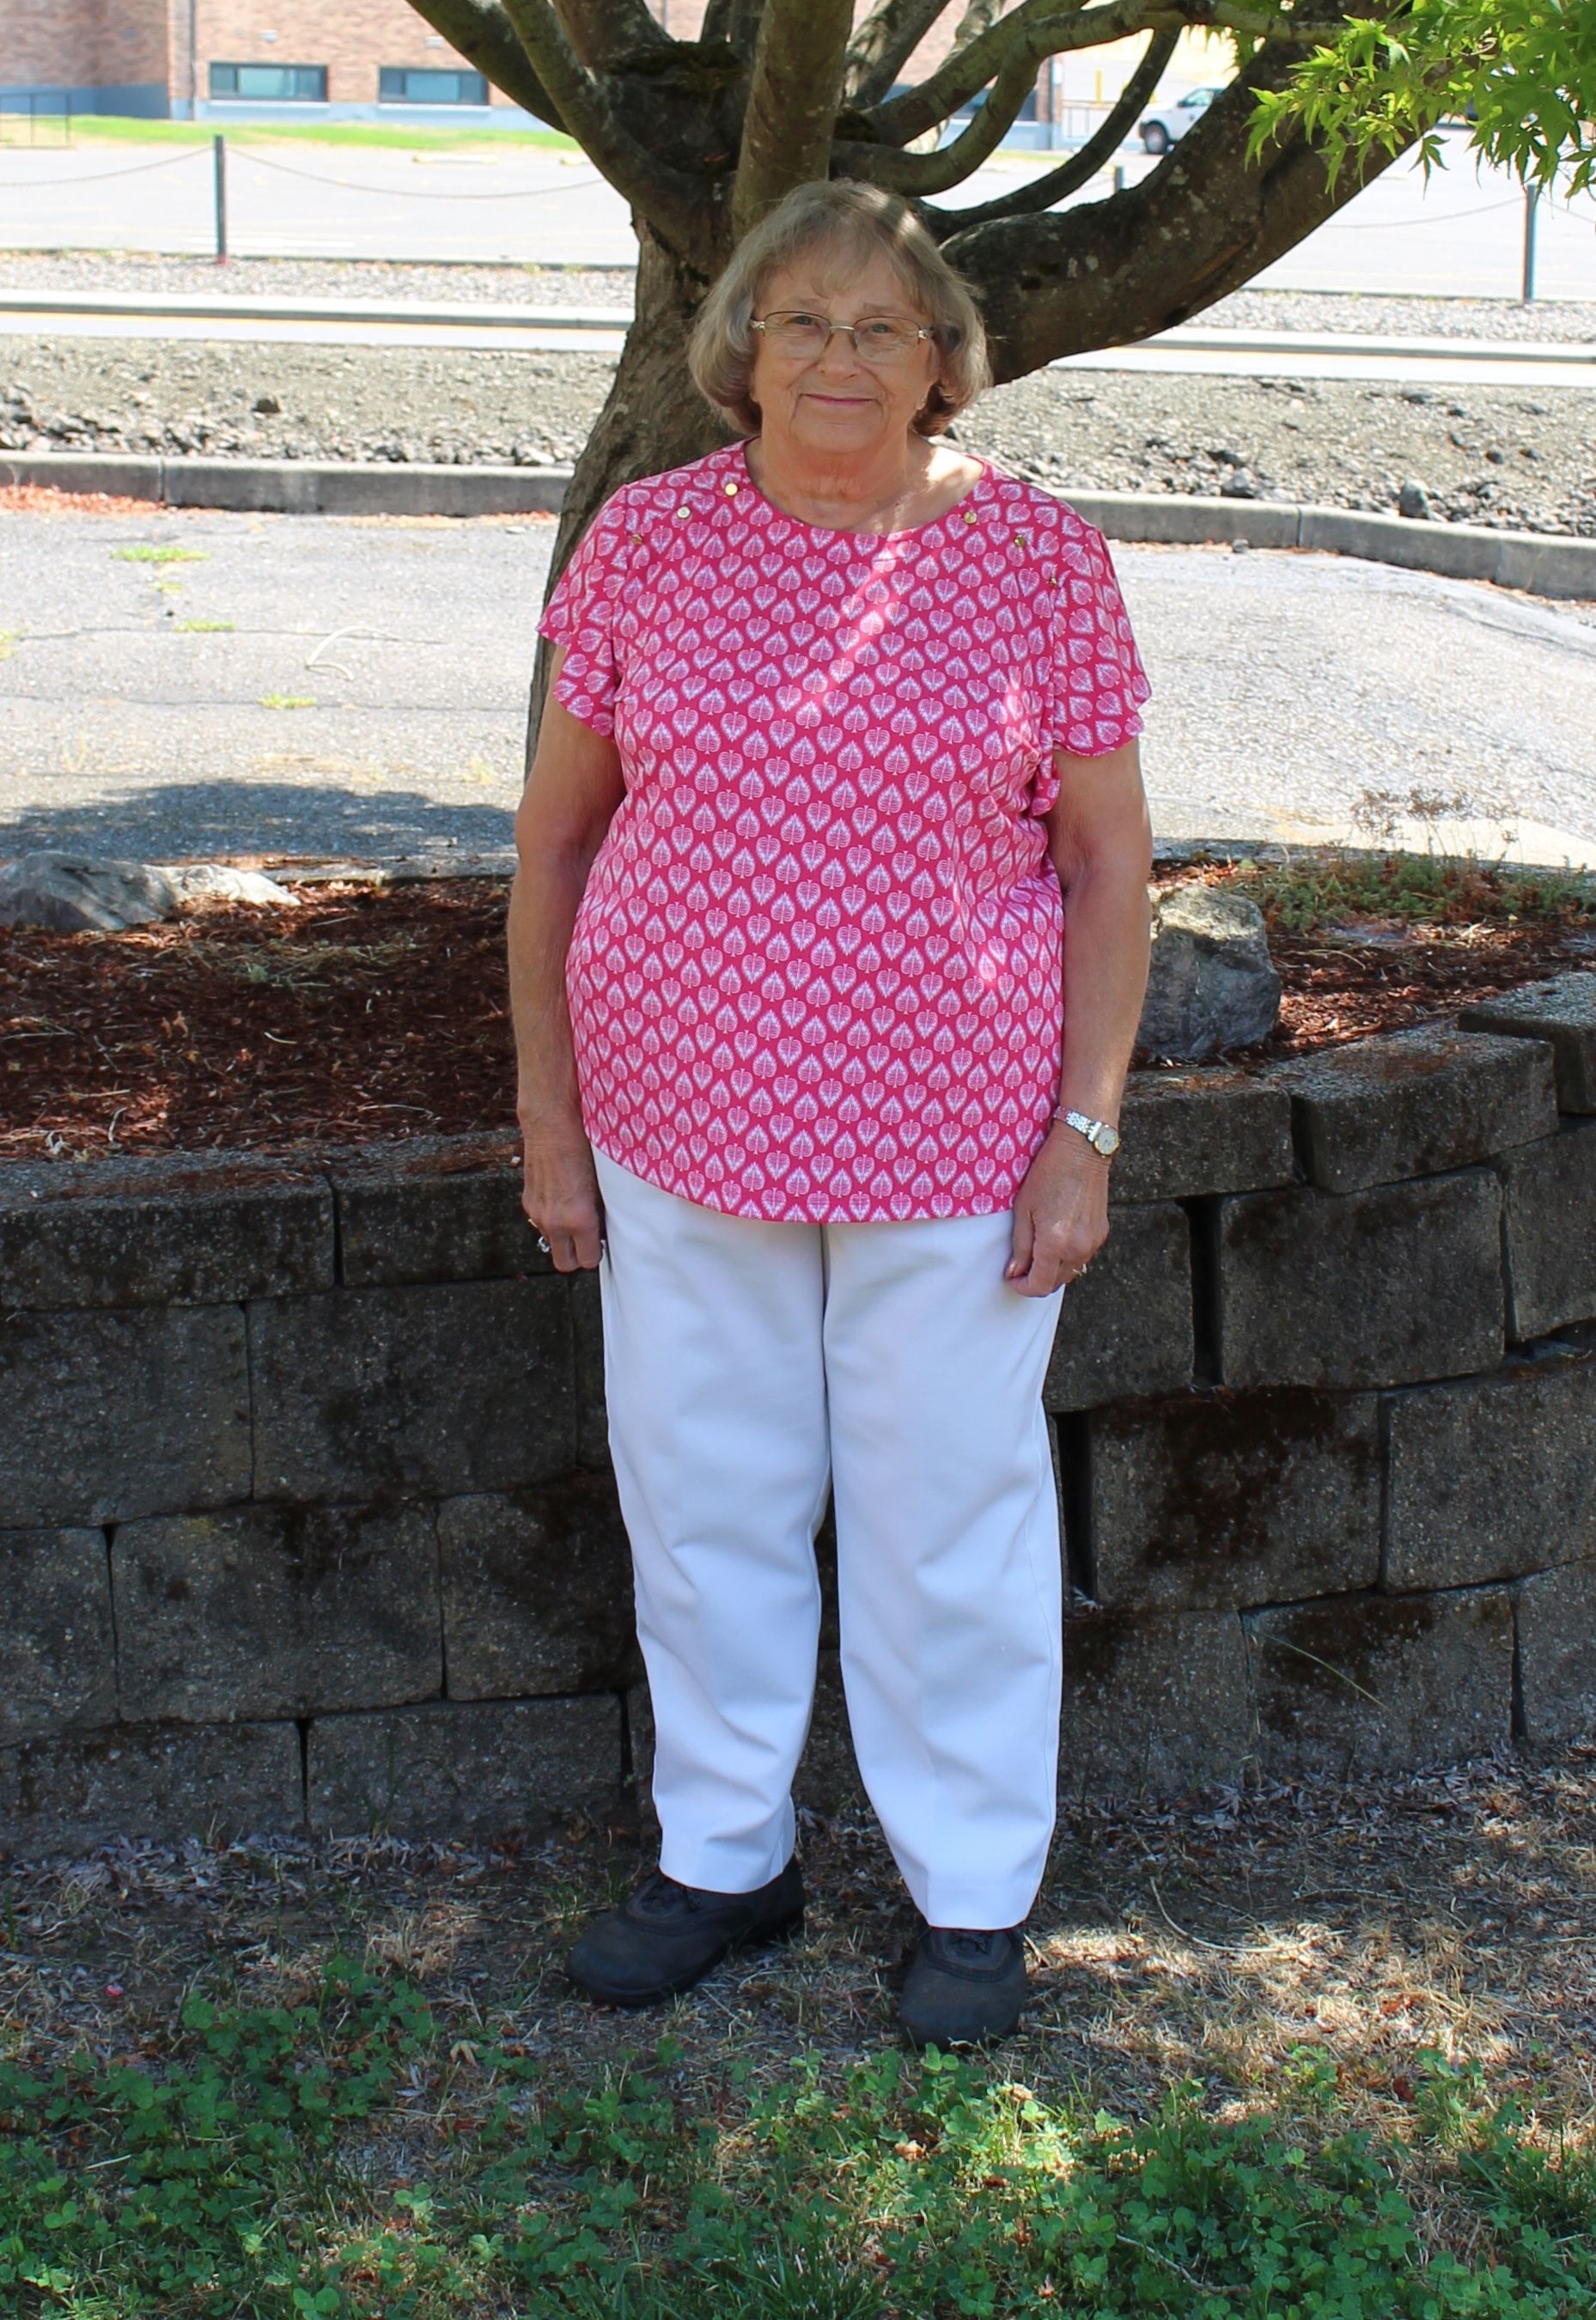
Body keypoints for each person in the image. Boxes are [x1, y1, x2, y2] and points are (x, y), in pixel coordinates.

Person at [507, 180, 1152, 2047]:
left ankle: (968, 1893)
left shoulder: (1037, 556)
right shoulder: (642, 544)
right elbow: (551, 844)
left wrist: (1083, 1130)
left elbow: (1108, 867)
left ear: (941, 359)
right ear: (739, 350)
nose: (839, 356)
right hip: (671, 1117)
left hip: (954, 1135)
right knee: (704, 1496)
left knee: (944, 1513)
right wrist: (551, 1123)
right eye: (801, 320)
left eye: (882, 325)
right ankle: (723, 1854)